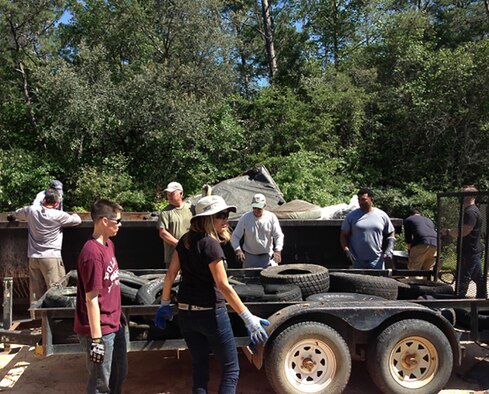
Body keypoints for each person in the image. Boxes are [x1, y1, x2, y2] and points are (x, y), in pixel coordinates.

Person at [155, 195, 270, 394]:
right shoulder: (211, 244)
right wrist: (248, 317)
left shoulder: (185, 241)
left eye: (227, 215)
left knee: (200, 368)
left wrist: (165, 303)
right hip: (211, 315)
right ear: (207, 218)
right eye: (221, 215)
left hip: (186, 314)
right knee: (231, 369)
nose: (226, 220)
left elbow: (171, 274)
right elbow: (223, 286)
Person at [74, 199, 127, 394]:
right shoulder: (92, 254)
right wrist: (96, 341)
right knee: (100, 384)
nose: (120, 225)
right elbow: (92, 299)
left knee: (119, 374)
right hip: (100, 331)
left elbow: (110, 285)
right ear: (104, 221)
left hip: (114, 324)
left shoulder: (108, 245)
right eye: (118, 221)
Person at [8, 188, 81, 311]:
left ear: (43, 199)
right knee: (56, 291)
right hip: (51, 258)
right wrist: (74, 213)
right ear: (57, 204)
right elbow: (77, 220)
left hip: (33, 257)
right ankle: (54, 320)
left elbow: (16, 214)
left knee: (35, 291)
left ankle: (36, 320)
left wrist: (12, 216)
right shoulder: (59, 215)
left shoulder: (31, 210)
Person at [443, 186, 487, 298]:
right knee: (478, 277)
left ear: (468, 196)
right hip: (473, 250)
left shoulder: (471, 212)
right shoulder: (472, 210)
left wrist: (448, 232)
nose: (461, 196)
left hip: (469, 251)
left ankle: (459, 301)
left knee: (463, 276)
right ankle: (482, 299)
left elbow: (465, 231)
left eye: (463, 194)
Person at [340, 187, 395, 269]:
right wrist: (346, 250)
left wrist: (389, 248)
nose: (360, 202)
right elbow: (343, 235)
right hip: (357, 260)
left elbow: (391, 232)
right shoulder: (351, 216)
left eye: (363, 199)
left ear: (371, 199)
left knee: (378, 281)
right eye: (359, 200)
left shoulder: (382, 215)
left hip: (376, 260)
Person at [231, 193, 284, 268]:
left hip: (268, 257)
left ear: (264, 205)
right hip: (250, 258)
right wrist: (238, 250)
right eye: (254, 207)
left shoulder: (271, 217)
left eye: (259, 207)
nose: (256, 210)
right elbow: (235, 236)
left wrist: (278, 251)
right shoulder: (245, 218)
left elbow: (278, 235)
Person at [158, 181, 192, 268]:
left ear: (181, 194)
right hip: (173, 257)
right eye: (168, 194)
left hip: (191, 255)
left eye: (172, 194)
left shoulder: (191, 209)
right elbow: (163, 233)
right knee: (174, 281)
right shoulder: (165, 212)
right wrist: (179, 244)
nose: (169, 196)